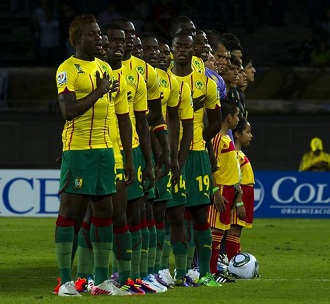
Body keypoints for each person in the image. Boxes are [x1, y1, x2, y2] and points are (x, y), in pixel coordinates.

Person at [54, 14, 132, 296]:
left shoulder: (104, 68)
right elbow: (68, 111)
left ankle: (100, 281)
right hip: (78, 152)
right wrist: (99, 91)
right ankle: (65, 282)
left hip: (104, 152)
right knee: (70, 214)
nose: (99, 38)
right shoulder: (67, 69)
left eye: (100, 34)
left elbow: (115, 114)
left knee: (105, 212)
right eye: (92, 34)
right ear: (77, 39)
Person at [170, 30, 222, 287]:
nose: (181, 50)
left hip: (198, 155)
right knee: (176, 215)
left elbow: (217, 120)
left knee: (201, 216)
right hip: (171, 157)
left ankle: (205, 273)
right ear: (172, 49)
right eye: (177, 46)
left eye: (186, 46)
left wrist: (201, 138)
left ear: (193, 51)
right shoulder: (164, 80)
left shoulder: (206, 83)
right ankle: (180, 273)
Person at [208, 99, 245, 281]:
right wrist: (215, 192)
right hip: (220, 190)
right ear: (229, 118)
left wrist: (236, 189)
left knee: (220, 232)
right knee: (214, 233)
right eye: (237, 115)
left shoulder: (226, 139)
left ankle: (214, 271)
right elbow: (211, 166)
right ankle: (210, 272)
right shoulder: (216, 139)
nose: (239, 119)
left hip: (229, 190)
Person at [226, 116, 254, 262]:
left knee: (237, 232)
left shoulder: (240, 154)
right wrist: (239, 203)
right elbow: (235, 179)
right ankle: (233, 262)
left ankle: (235, 261)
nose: (251, 135)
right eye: (247, 132)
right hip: (240, 196)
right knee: (234, 231)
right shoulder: (235, 155)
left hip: (246, 195)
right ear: (237, 134)